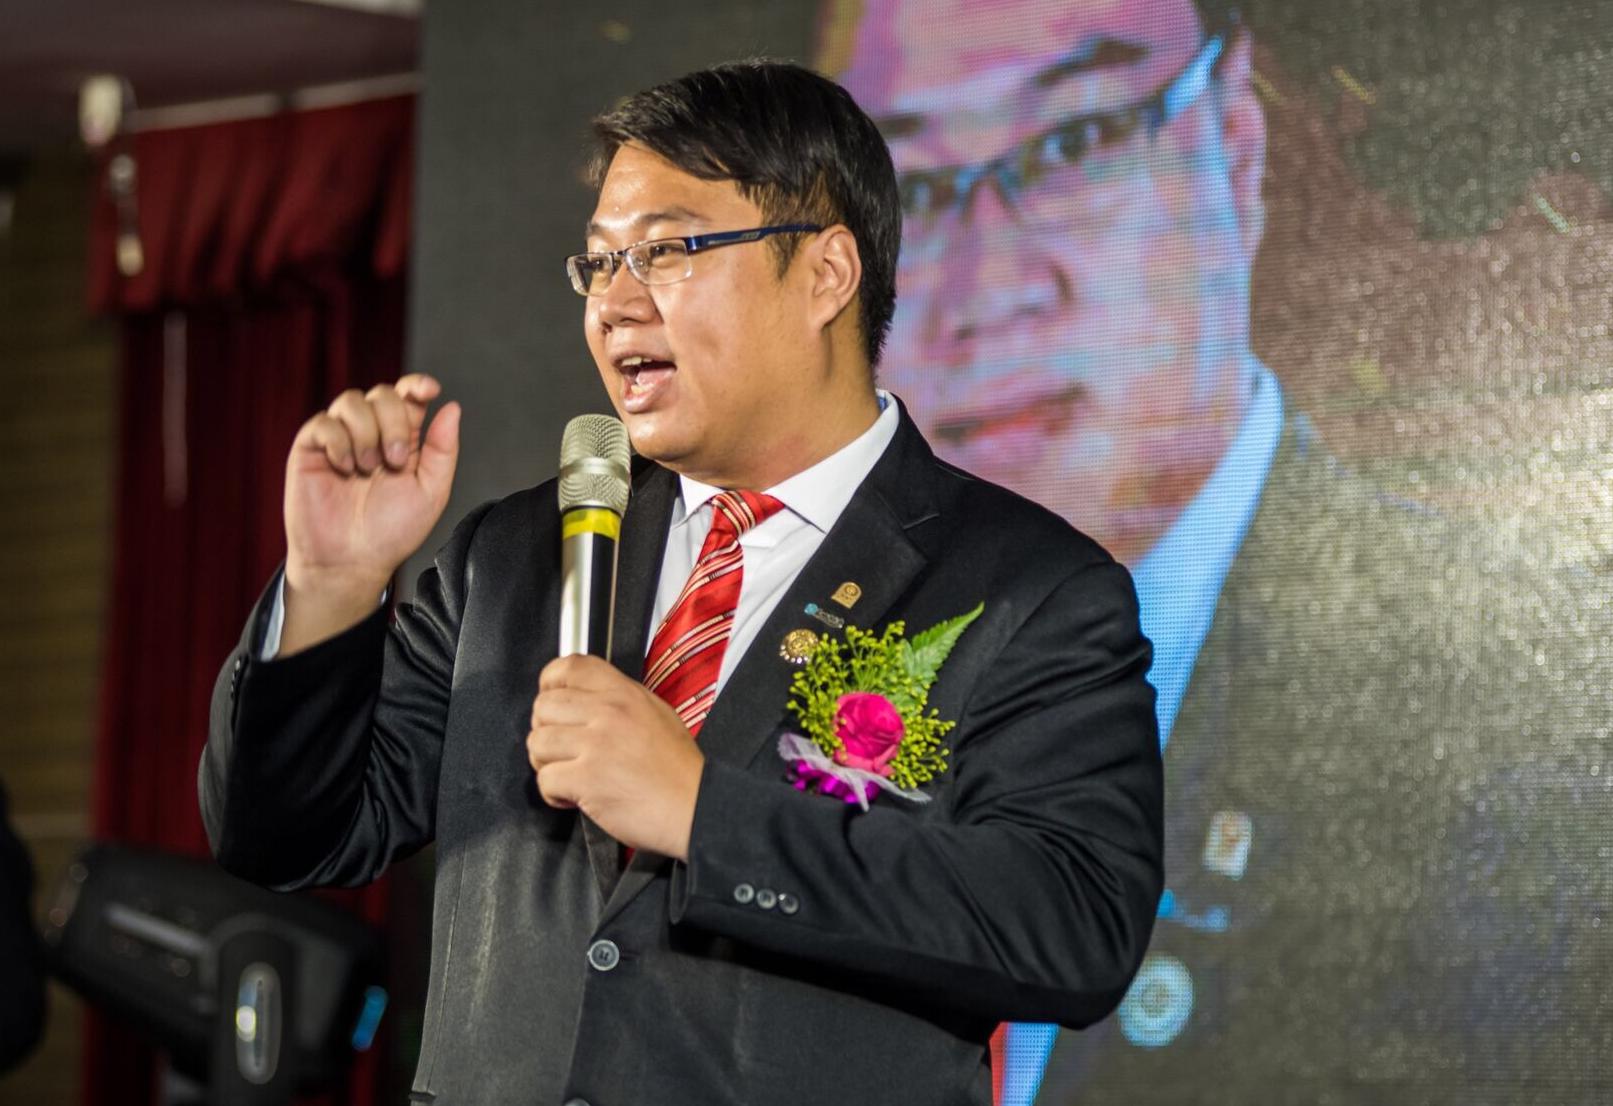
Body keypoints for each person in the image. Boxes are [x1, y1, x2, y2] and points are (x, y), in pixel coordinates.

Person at [200, 61, 1165, 1105]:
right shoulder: (512, 556)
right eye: (599, 263)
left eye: (666, 252)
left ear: (826, 273)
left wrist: (702, 813)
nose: (615, 304)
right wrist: (334, 583)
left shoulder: (1026, 587)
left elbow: (1071, 925)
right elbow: (282, 838)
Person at [835, 1, 1611, 1103]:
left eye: (1070, 143)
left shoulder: (1533, 754)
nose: (988, 291)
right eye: (907, 191)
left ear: (1235, 141)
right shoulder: (775, 685)